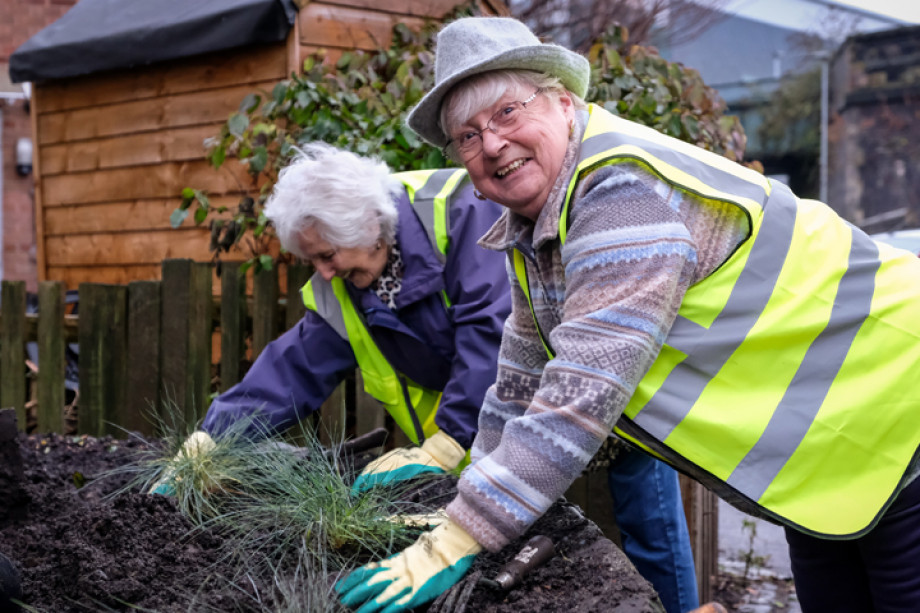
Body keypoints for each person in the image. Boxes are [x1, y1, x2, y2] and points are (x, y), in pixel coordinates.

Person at [336, 16, 920, 613]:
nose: (491, 144)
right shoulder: (542, 230)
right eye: (467, 135)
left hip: (899, 398)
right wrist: (466, 497)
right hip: (840, 450)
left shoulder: (619, 197)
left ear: (564, 104)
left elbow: (580, 393)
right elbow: (519, 383)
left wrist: (459, 537)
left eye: (508, 112)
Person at [153, 143, 512, 494]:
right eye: (312, 261)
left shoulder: (463, 213)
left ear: (369, 227)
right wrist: (212, 439)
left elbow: (491, 332)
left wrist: (449, 440)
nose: (323, 274)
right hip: (472, 467)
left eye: (327, 255)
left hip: (546, 432)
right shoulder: (351, 285)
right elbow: (293, 369)